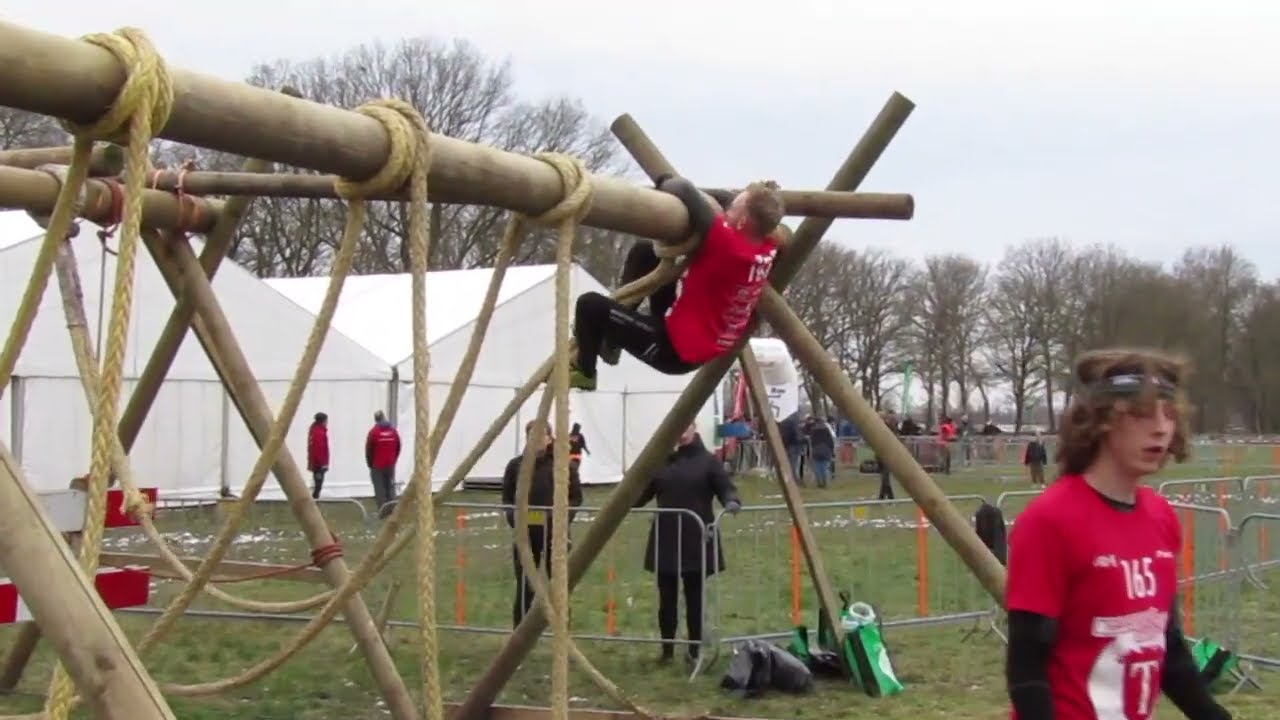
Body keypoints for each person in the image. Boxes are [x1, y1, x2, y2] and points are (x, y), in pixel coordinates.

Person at [1005, 349, 1232, 720]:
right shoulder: (1050, 521)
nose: (1161, 428)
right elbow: (1027, 669)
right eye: (1143, 413)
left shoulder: (1161, 518)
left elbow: (1167, 645)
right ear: (1102, 420)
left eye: (1169, 414)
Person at [569, 175, 785, 391]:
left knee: (590, 306)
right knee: (646, 253)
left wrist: (661, 180)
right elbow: (732, 204)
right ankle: (613, 341)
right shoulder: (768, 247)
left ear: (743, 221)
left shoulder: (727, 243)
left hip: (672, 349)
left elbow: (678, 186)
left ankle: (585, 372)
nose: (727, 211)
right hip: (696, 338)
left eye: (733, 208)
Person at [634, 421, 741, 663]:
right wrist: (624, 499)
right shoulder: (661, 461)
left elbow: (725, 488)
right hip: (667, 539)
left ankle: (694, 650)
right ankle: (667, 650)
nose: (680, 432)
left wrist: (731, 501)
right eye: (677, 427)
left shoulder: (708, 462)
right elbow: (641, 494)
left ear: (694, 428)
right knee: (667, 599)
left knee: (695, 599)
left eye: (685, 427)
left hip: (696, 539)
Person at [502, 420, 583, 628]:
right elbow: (508, 500)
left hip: (556, 536)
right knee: (525, 587)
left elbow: (576, 498)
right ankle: (518, 639)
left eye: (541, 436)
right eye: (532, 436)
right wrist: (516, 521)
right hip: (526, 537)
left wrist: (561, 520)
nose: (536, 440)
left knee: (560, 588)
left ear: (549, 438)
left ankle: (563, 636)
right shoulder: (515, 466)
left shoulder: (563, 465)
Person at [365, 410, 401, 517]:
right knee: (389, 486)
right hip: (390, 464)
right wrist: (393, 459)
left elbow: (368, 450)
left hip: (377, 465)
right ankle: (392, 509)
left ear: (376, 419)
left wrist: (370, 463)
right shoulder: (393, 431)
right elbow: (398, 446)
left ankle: (382, 511)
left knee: (379, 488)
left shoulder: (374, 432)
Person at [808, 416, 836, 488]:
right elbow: (830, 441)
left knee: (817, 467)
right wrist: (832, 451)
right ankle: (825, 482)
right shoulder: (826, 430)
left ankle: (819, 483)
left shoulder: (813, 430)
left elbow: (812, 441)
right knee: (825, 467)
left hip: (816, 450)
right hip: (826, 449)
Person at [307, 412, 329, 499]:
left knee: (317, 483)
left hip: (316, 463)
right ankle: (315, 500)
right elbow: (319, 449)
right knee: (318, 484)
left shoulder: (314, 430)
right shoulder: (319, 432)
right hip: (318, 464)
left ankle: (315, 499)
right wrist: (322, 464)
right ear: (323, 421)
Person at [876, 410, 898, 500]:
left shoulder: (889, 427)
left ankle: (889, 497)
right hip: (880, 453)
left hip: (888, 453)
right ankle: (883, 497)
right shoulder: (877, 428)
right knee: (884, 477)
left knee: (885, 476)